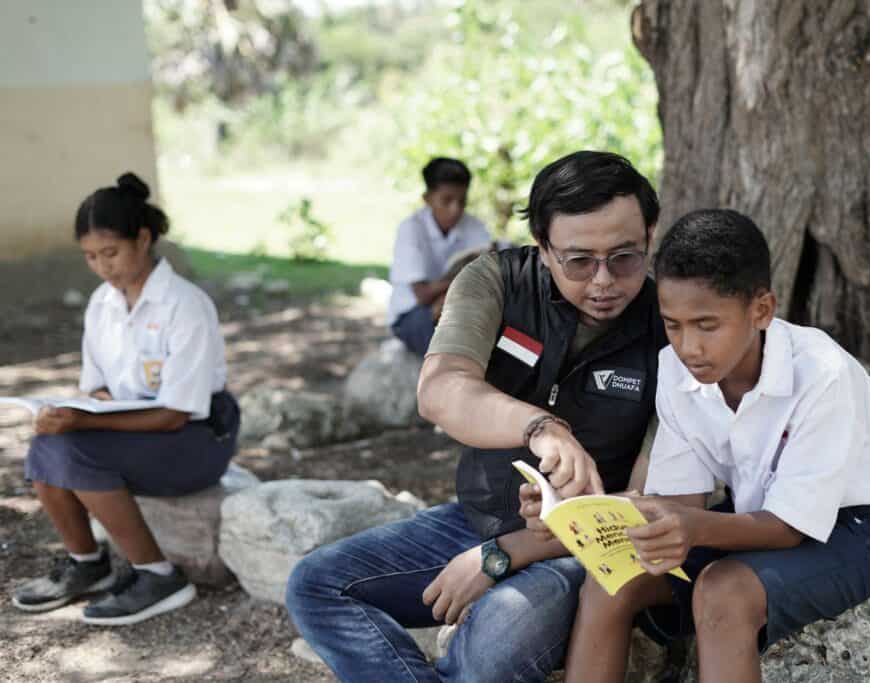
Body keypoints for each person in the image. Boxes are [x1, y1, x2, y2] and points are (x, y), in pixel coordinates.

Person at [286, 151, 666, 682]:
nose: (603, 281)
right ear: (541, 244)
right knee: (317, 584)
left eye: (625, 257)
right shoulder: (496, 281)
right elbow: (441, 390)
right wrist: (542, 428)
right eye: (578, 260)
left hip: (581, 555)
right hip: (474, 520)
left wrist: (503, 556)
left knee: (486, 656)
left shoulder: (670, 324)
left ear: (651, 233)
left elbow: (649, 505)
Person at [559, 209, 870, 683]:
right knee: (611, 580)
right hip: (746, 516)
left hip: (847, 531)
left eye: (707, 325)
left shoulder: (824, 373)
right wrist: (587, 509)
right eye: (674, 325)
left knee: (722, 590)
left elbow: (788, 528)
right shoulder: (676, 371)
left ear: (761, 310)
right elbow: (682, 503)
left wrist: (689, 525)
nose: (689, 347)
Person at [12, 173, 240, 626]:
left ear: (144, 238)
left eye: (110, 253)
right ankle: (86, 562)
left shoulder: (184, 304)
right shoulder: (102, 304)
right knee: (46, 445)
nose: (102, 267)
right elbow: (96, 387)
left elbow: (175, 414)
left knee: (76, 449)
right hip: (133, 429)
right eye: (90, 257)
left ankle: (159, 577)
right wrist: (78, 409)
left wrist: (87, 423)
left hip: (196, 439)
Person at [388, 157, 492, 356]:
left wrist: (445, 296)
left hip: (455, 304)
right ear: (427, 198)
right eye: (446, 200)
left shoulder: (473, 226)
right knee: (446, 349)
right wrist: (452, 288)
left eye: (462, 201)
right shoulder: (411, 229)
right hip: (413, 313)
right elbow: (423, 294)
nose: (456, 209)